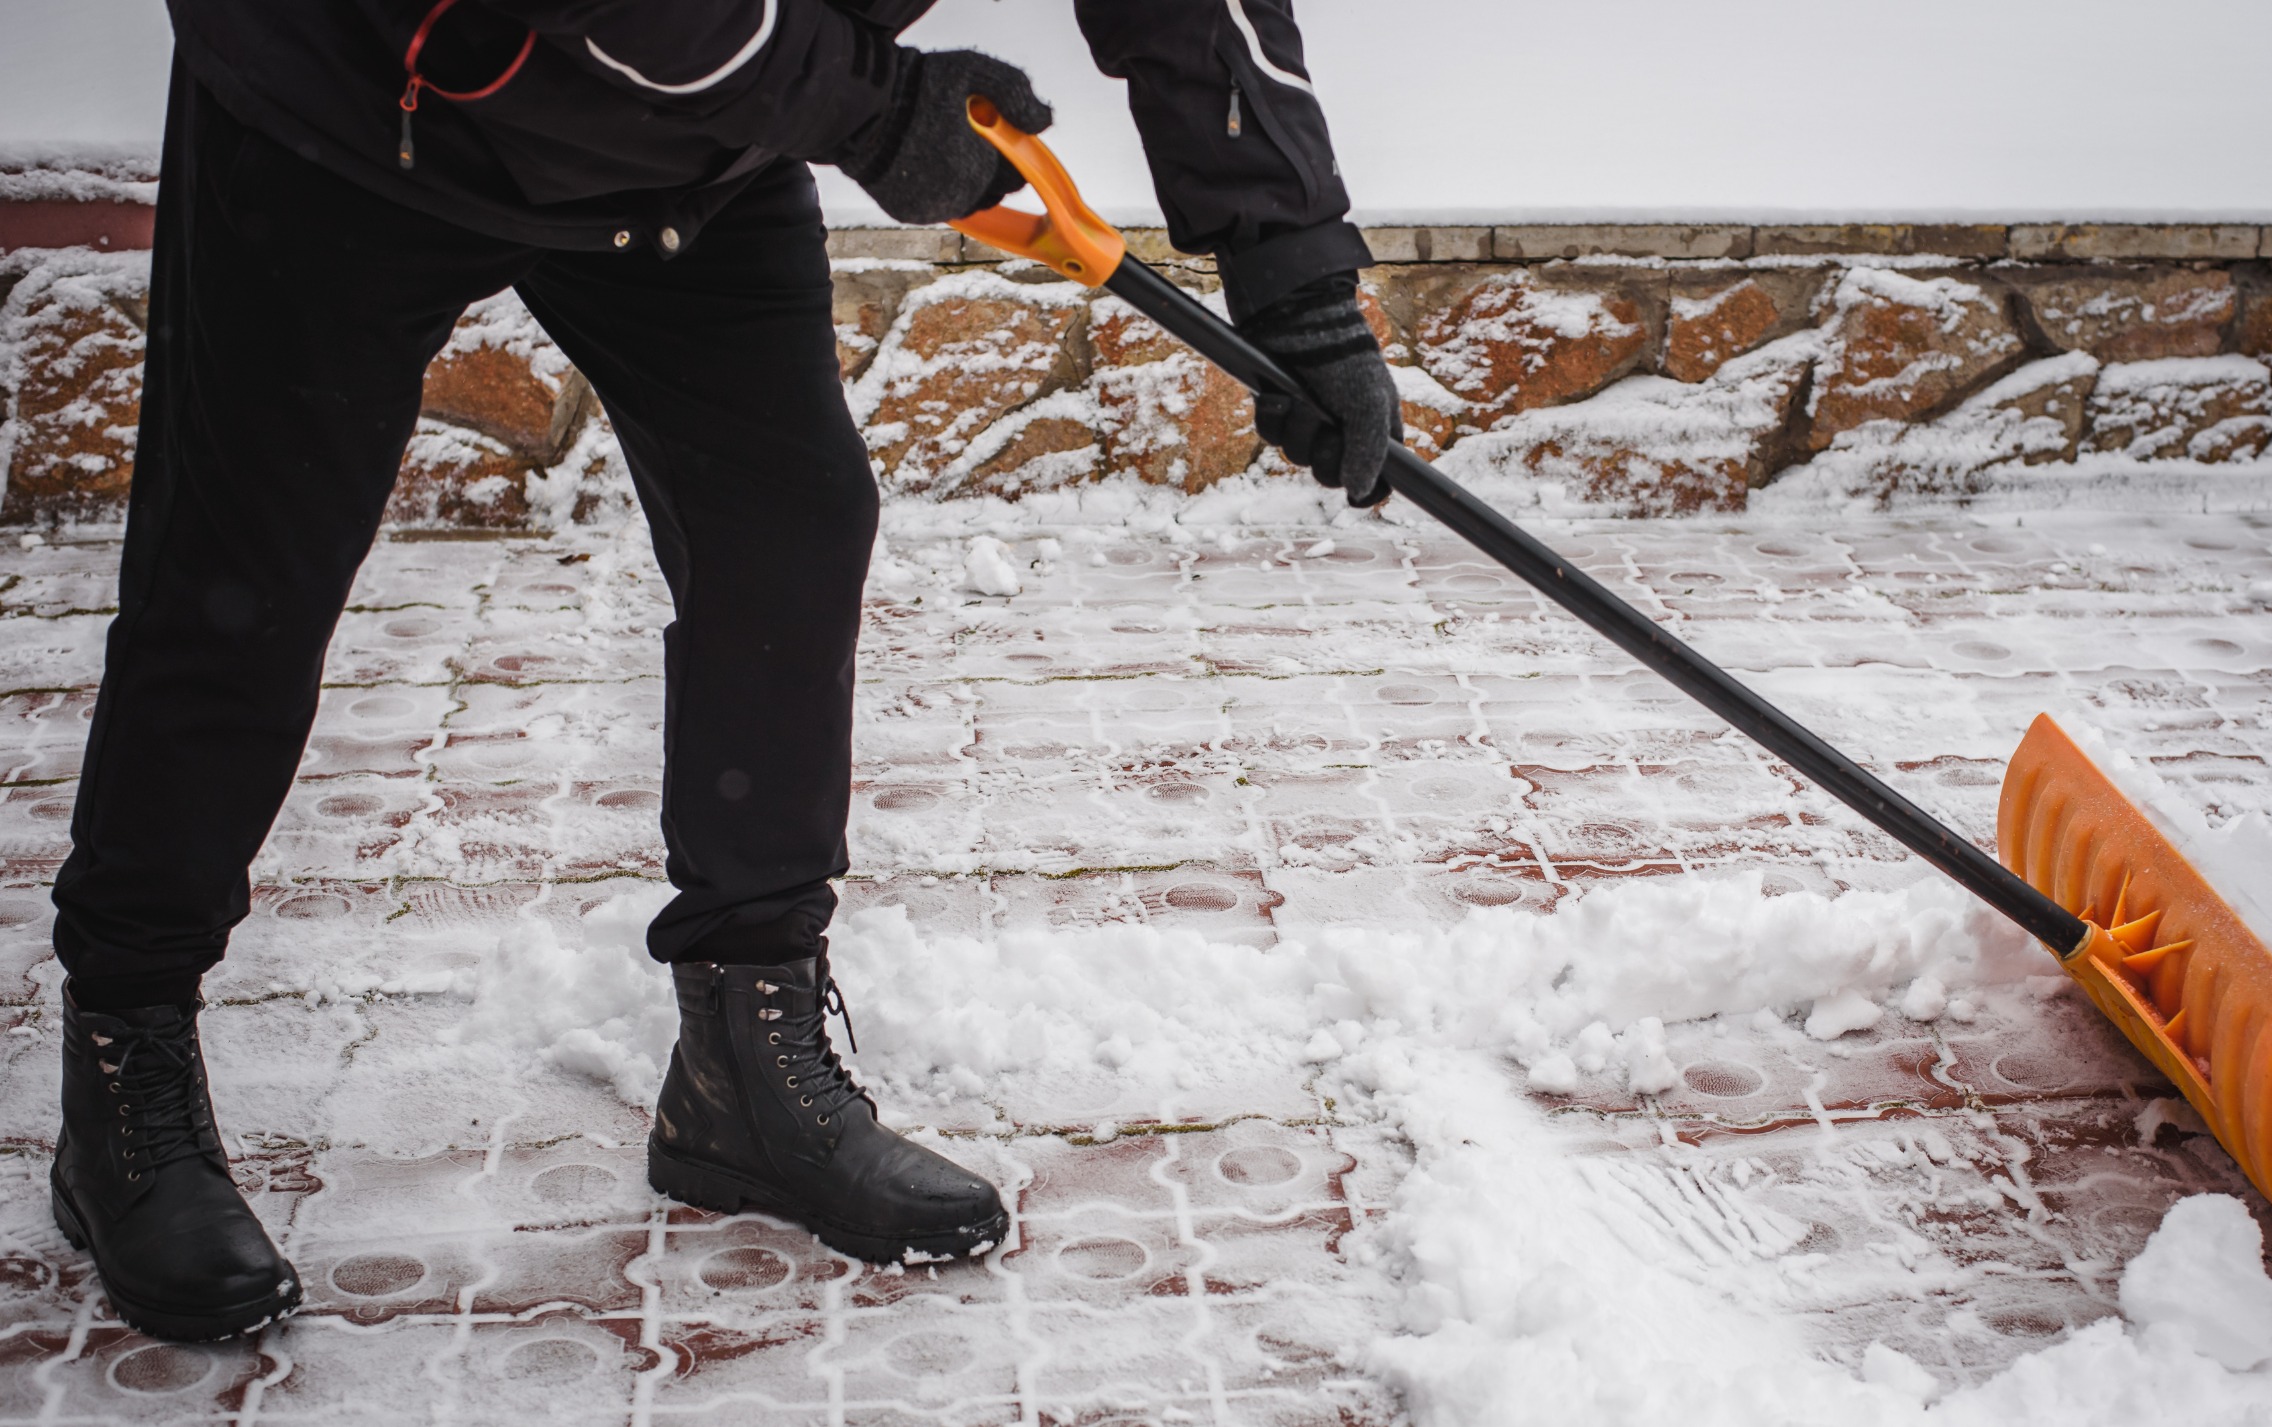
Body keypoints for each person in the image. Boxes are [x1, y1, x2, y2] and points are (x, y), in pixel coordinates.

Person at [49, 0, 1402, 1342]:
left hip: (690, 145)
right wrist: (874, 107)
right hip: (357, 115)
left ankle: (744, 1060)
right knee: (242, 588)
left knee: (788, 528)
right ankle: (127, 1047)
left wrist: (1293, 266)